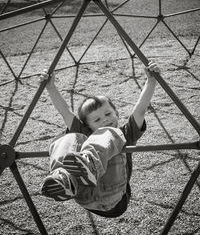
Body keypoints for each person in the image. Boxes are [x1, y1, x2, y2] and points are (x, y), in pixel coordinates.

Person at [39, 61, 160, 217]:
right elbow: (65, 112)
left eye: (108, 114)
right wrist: (50, 87)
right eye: (96, 120)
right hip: (83, 196)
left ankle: (90, 163)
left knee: (111, 133)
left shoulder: (125, 133)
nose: (104, 120)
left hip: (115, 199)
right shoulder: (84, 133)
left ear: (117, 113)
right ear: (87, 125)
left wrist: (151, 82)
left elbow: (140, 109)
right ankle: (62, 177)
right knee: (70, 137)